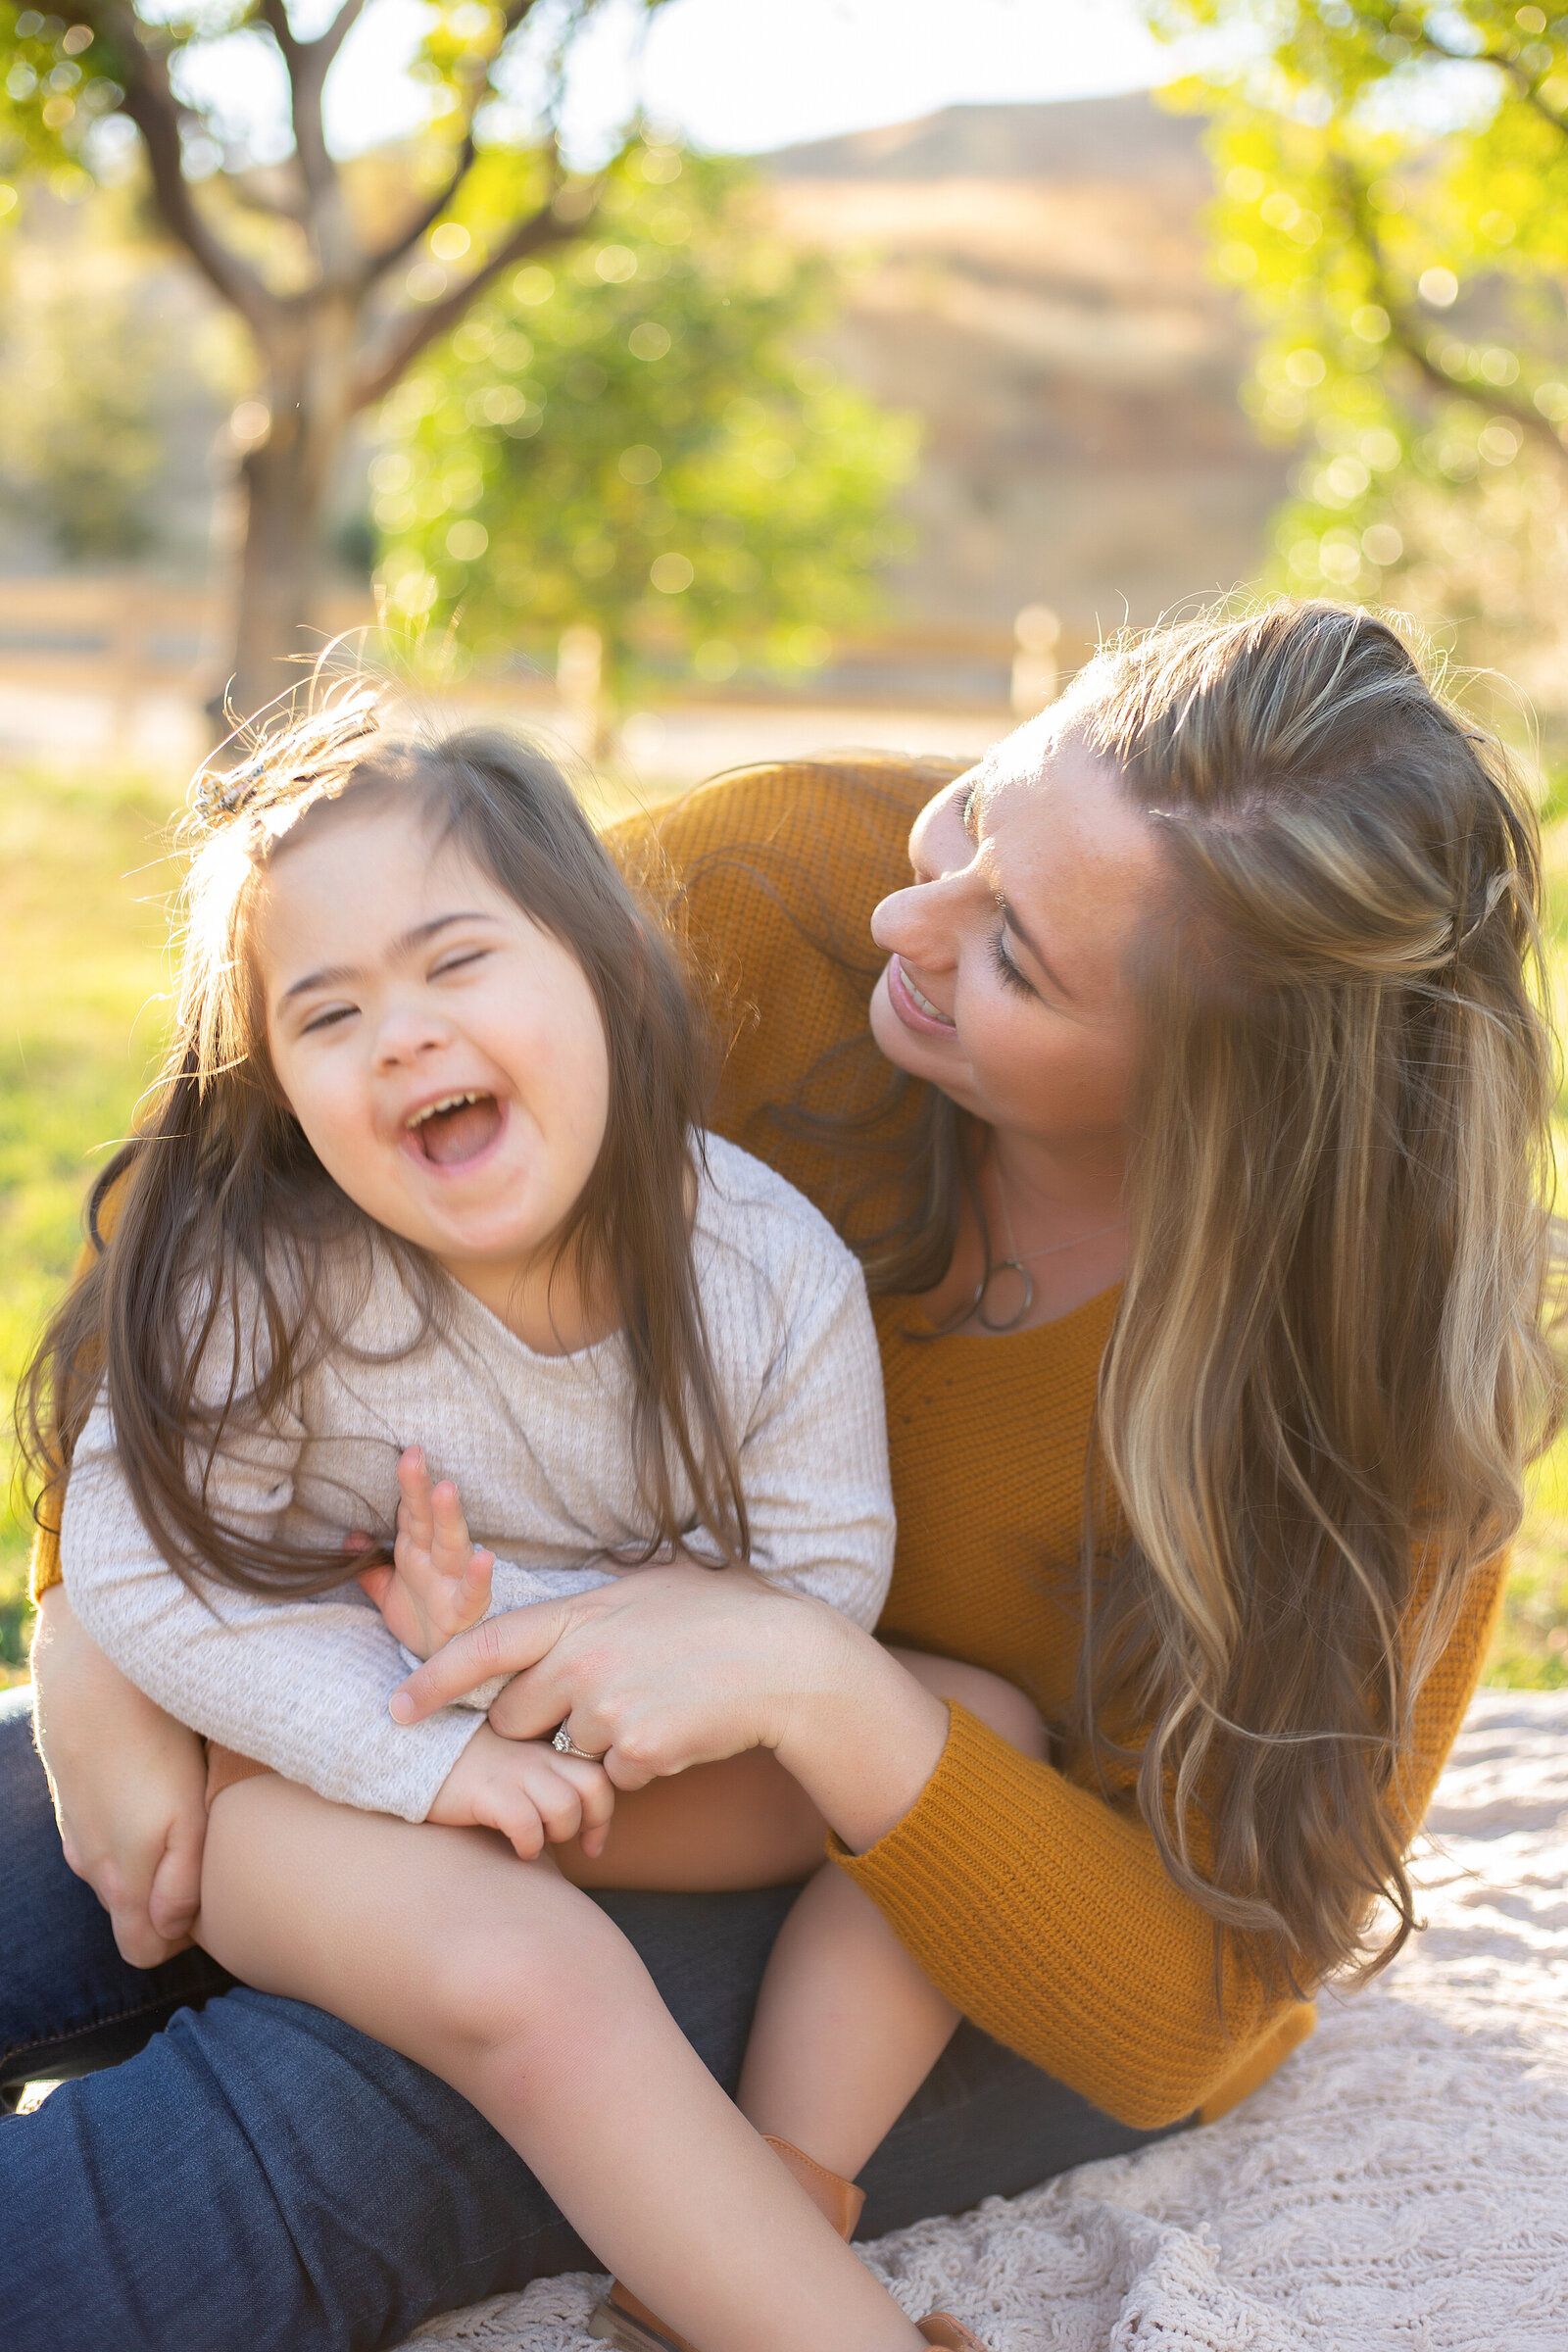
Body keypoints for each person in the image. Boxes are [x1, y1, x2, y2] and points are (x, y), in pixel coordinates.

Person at [2, 602, 1553, 2352]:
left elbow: (1196, 1990)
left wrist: (817, 1687)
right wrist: (89, 1629)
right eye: (978, 806)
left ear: (1229, 1091)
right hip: (488, 1650)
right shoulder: (781, 887)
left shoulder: (1372, 1383)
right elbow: (232, 1171)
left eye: (1017, 961)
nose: (912, 917)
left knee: (338, 2108)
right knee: (55, 1833)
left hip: (957, 1926)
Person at [31, 704, 1007, 2352]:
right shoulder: (277, 1282)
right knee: (542, 1985)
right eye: (327, 1012)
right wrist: (427, 1739)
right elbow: (138, 1559)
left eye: (455, 963)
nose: (401, 1035)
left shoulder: (763, 1267)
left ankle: (778, 2190)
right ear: (279, 1082)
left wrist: (542, 1653)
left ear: (606, 964)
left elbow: (824, 1584)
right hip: (329, 1782)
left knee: (978, 1744)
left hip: (625, 1764)